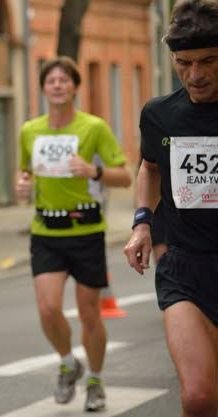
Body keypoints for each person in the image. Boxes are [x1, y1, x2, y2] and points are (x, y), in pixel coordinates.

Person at [16, 56, 132, 411]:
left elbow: (124, 176)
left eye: (64, 80)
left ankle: (95, 380)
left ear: (75, 87)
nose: (57, 85)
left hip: (85, 229)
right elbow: (25, 173)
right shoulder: (30, 131)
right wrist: (22, 186)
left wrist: (93, 171)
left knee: (88, 314)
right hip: (46, 229)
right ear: (43, 88)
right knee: (48, 309)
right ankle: (69, 363)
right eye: (51, 80)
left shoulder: (93, 127)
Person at [124, 1, 218, 415]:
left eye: (208, 62)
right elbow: (149, 169)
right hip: (185, 268)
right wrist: (142, 223)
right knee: (198, 398)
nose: (195, 75)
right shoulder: (160, 115)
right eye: (184, 63)